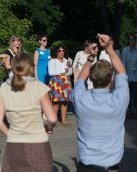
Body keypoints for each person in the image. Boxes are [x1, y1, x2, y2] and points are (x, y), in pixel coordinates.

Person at [73, 34, 129, 172]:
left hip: (86, 167)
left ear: (91, 78)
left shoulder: (80, 98)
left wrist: (91, 57)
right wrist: (108, 48)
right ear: (111, 79)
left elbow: (80, 79)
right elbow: (121, 72)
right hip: (112, 167)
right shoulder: (119, 99)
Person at [0, 53, 57, 172]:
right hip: (38, 144)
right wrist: (49, 129)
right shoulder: (38, 86)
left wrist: (11, 134)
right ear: (31, 67)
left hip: (14, 144)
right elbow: (52, 118)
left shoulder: (4, 88)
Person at [48, 45, 73, 126]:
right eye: (59, 51)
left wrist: (69, 68)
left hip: (66, 81)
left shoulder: (66, 61)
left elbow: (69, 73)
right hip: (57, 82)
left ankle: (63, 120)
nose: (62, 52)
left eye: (63, 51)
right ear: (56, 52)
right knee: (56, 102)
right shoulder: (52, 61)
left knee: (65, 102)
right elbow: (51, 72)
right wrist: (63, 70)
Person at [122, 34, 137, 117]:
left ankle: (135, 110)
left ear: (135, 40)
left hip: (136, 76)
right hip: (127, 75)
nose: (132, 41)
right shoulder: (125, 51)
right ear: (128, 41)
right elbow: (123, 64)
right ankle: (127, 110)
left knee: (135, 94)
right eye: (130, 39)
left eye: (133, 39)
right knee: (127, 93)